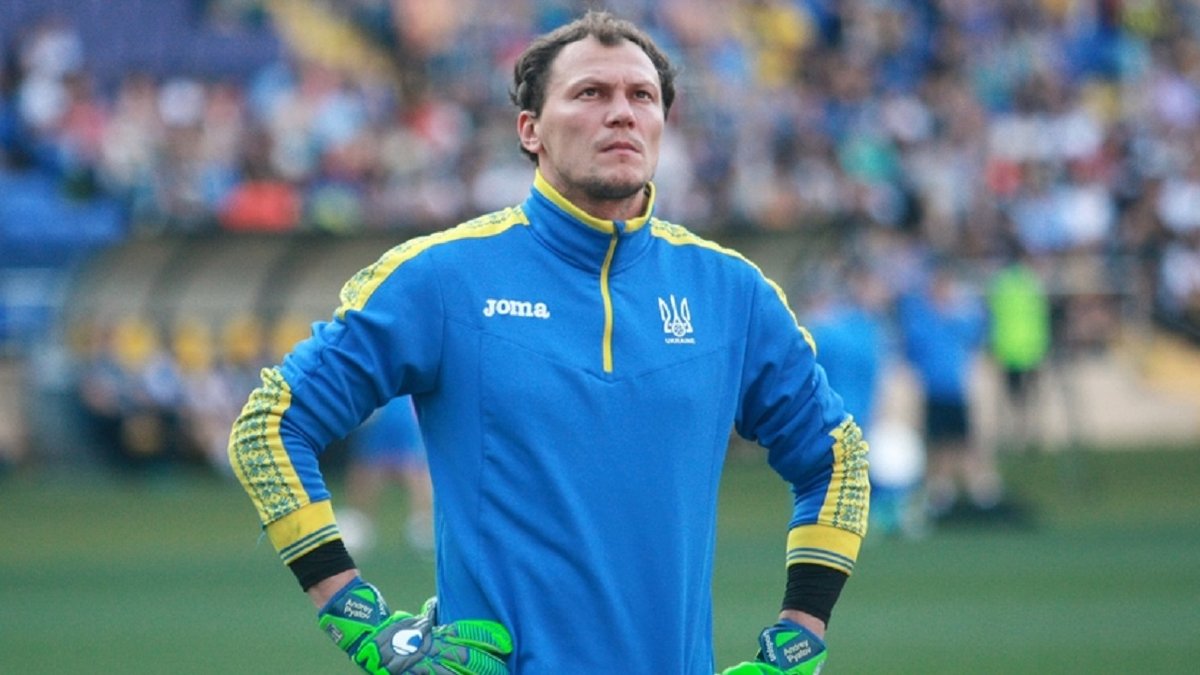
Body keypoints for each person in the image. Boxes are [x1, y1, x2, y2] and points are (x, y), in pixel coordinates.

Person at [228, 11, 869, 674]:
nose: (621, 113)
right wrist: (358, 617)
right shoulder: (443, 278)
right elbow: (269, 426)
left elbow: (837, 458)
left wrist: (800, 637)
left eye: (642, 96)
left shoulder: (732, 293)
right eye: (590, 93)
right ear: (529, 129)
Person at [336, 394, 434, 556]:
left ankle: (423, 523)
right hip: (378, 405)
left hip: (403, 406)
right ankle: (358, 522)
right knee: (368, 461)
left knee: (413, 463)